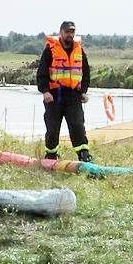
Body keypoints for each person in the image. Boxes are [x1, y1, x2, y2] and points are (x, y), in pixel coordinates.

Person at [36, 21, 93, 162]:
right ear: (61, 32)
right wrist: (45, 91)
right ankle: (51, 154)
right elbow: (41, 73)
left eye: (72, 32)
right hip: (54, 96)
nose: (70, 35)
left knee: (77, 125)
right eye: (67, 32)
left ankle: (83, 154)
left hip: (73, 95)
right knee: (52, 126)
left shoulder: (79, 50)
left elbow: (85, 73)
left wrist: (84, 91)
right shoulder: (50, 49)